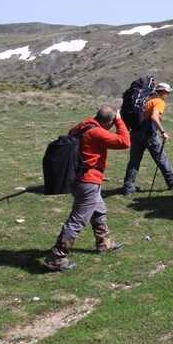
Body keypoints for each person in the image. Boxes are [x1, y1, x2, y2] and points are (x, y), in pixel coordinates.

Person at [44, 105, 131, 271]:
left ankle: (104, 242)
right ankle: (57, 257)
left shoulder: (82, 126)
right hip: (88, 181)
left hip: (78, 178)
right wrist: (120, 121)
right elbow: (124, 142)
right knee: (78, 220)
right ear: (111, 121)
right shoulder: (96, 132)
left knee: (98, 210)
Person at [122, 82, 173, 195]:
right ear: (161, 92)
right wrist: (163, 132)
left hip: (135, 132)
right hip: (148, 134)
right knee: (161, 157)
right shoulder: (158, 101)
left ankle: (128, 187)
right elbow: (154, 117)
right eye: (167, 92)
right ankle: (172, 180)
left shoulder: (147, 99)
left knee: (134, 160)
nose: (167, 95)